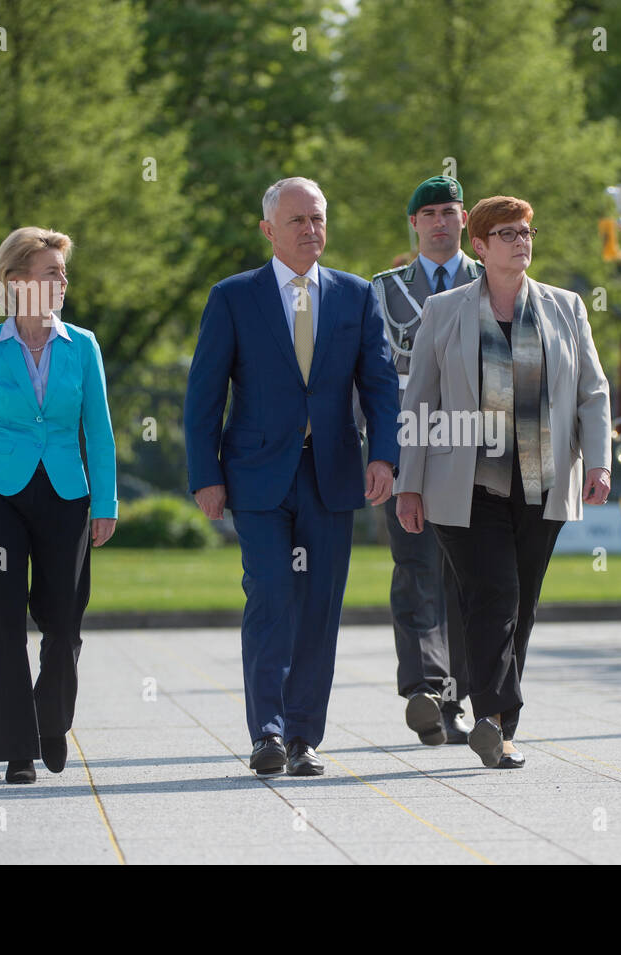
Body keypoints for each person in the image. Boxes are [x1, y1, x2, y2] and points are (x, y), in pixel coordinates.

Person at [183, 177, 400, 777]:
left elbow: (380, 385)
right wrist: (206, 474)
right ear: (268, 230)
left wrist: (384, 457)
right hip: (255, 477)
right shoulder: (233, 297)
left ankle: (304, 737)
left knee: (320, 606)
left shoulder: (356, 296)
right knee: (272, 595)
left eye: (318, 219)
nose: (311, 230)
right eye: (298, 220)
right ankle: (268, 734)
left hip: (332, 475)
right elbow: (204, 395)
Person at [394, 195, 612, 769]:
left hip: (543, 481)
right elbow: (418, 402)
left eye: (527, 231)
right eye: (509, 233)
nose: (522, 241)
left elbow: (593, 390)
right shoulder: (444, 311)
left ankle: (497, 724)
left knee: (524, 601)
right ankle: (494, 716)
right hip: (464, 484)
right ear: (480, 246)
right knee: (497, 593)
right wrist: (408, 486)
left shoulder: (565, 308)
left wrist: (599, 462)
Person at [0, 227, 117, 785]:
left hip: (67, 495)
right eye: (50, 272)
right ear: (17, 282)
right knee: (3, 624)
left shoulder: (83, 346)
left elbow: (102, 433)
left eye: (63, 273)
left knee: (64, 622)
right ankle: (19, 751)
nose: (61, 281)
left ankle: (51, 719)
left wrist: (106, 501)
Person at [373, 176, 480, 746]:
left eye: (449, 212)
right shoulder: (383, 290)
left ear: (464, 220)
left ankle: (456, 698)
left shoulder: (490, 282)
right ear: (413, 223)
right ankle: (424, 688)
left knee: (465, 576)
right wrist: (375, 453)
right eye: (429, 213)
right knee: (415, 567)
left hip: (474, 451)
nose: (440, 222)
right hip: (406, 447)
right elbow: (368, 377)